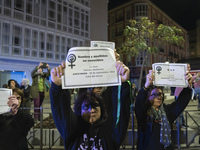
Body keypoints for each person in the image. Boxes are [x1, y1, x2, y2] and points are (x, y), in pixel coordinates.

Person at [50, 61, 131, 150]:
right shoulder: (72, 131)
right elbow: (61, 111)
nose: (91, 110)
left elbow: (122, 110)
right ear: (79, 110)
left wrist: (122, 82)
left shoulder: (111, 132)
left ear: (102, 109)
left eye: (95, 106)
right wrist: (57, 87)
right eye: (86, 107)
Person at [135, 70, 193, 150]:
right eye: (154, 95)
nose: (158, 97)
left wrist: (188, 87)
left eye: (160, 94)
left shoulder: (167, 111)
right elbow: (139, 104)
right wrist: (145, 87)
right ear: (148, 97)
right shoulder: (144, 113)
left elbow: (180, 104)